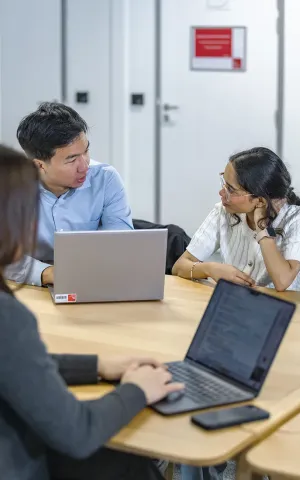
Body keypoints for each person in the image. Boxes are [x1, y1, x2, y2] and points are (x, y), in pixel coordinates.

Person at [0, 145, 184, 480]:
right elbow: (77, 432)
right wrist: (137, 390)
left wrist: (97, 366)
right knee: (128, 459)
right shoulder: (9, 318)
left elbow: (13, 363)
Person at [5, 102, 133, 287]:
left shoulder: (105, 179)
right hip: (31, 286)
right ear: (39, 165)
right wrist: (48, 273)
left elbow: (122, 241)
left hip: (93, 278)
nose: (84, 165)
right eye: (72, 159)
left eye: (86, 151)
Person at [173, 147, 300, 292]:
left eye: (231, 190)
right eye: (224, 183)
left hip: (283, 310)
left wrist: (262, 226)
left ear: (260, 201)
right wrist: (210, 268)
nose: (222, 193)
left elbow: (282, 281)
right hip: (236, 304)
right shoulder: (222, 212)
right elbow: (179, 266)